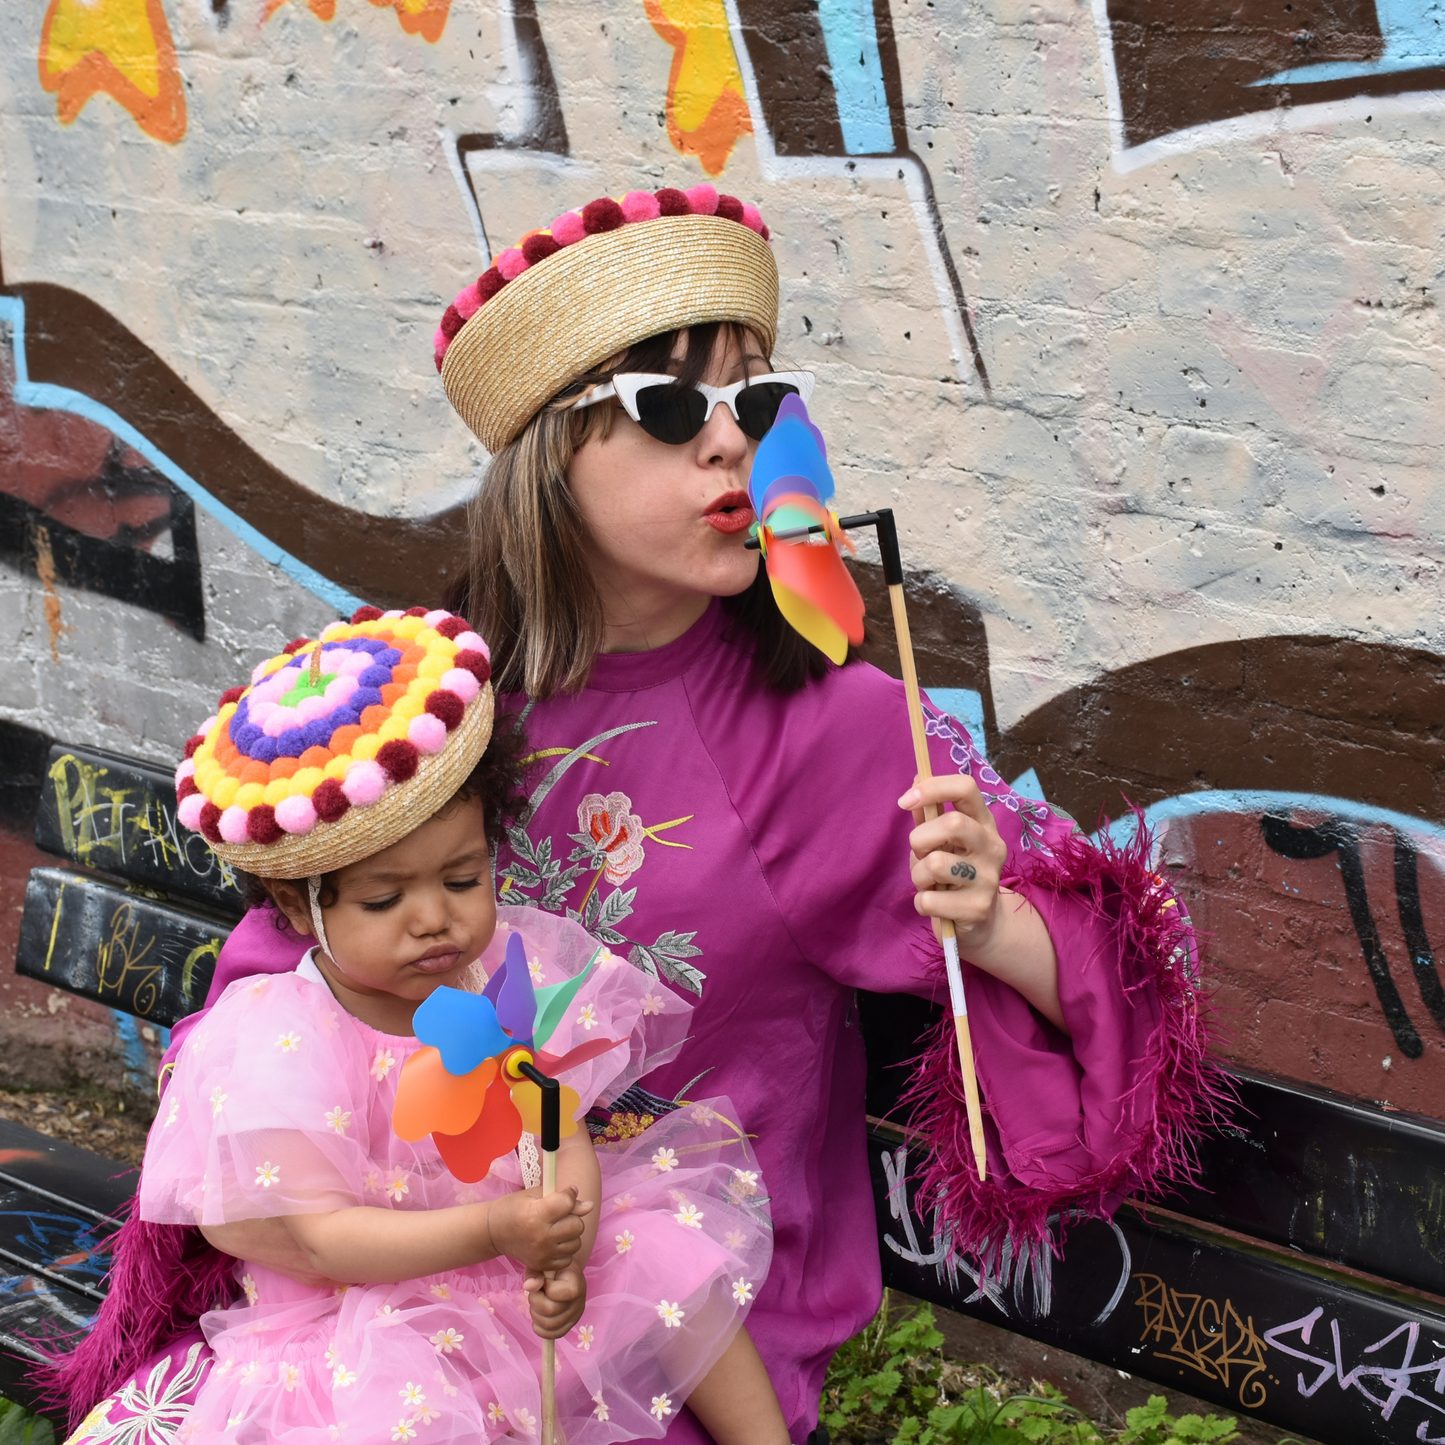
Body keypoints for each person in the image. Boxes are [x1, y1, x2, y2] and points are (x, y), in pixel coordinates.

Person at [55, 183, 1218, 1445]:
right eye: (667, 411)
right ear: (551, 458)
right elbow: (278, 999)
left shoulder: (835, 726)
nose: (729, 446)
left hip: (680, 1342)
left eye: (755, 403)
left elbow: (1129, 967)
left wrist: (989, 923)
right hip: (411, 1303)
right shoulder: (436, 707)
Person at [45, 611, 784, 1444]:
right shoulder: (281, 1036)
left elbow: (553, 1122)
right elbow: (321, 1242)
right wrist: (492, 1229)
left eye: (464, 877)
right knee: (398, 1417)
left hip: (510, 1266)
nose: (435, 919)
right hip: (362, 1313)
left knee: (660, 1249)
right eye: (385, 899)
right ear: (299, 904)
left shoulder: (506, 970)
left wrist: (563, 1242)